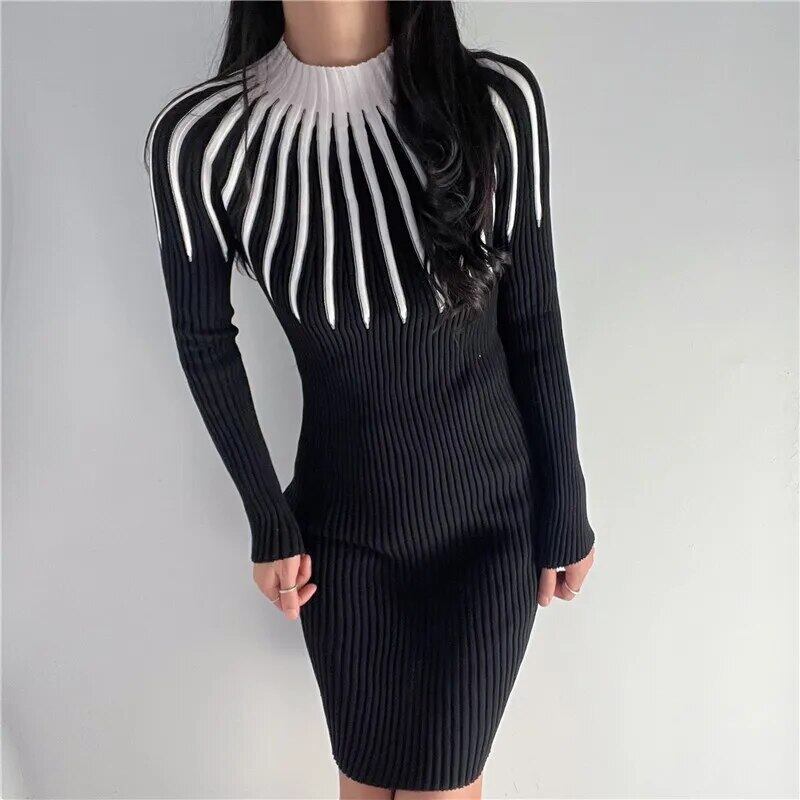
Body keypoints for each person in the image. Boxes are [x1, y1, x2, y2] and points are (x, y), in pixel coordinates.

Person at [145, 1, 596, 797]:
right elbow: (203, 338)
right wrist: (268, 518)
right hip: (342, 536)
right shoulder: (202, 140)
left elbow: (533, 318)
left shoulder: (494, 103)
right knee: (362, 786)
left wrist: (567, 500)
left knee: (441, 787)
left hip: (488, 527)